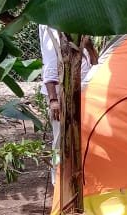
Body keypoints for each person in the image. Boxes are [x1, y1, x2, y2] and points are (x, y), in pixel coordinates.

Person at [39, 26, 94, 183]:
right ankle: (60, 183)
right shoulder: (51, 23)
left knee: (80, 136)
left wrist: (89, 46)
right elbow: (50, 61)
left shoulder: (78, 22)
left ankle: (77, 178)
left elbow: (92, 60)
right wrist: (53, 100)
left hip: (82, 88)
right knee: (61, 139)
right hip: (60, 91)